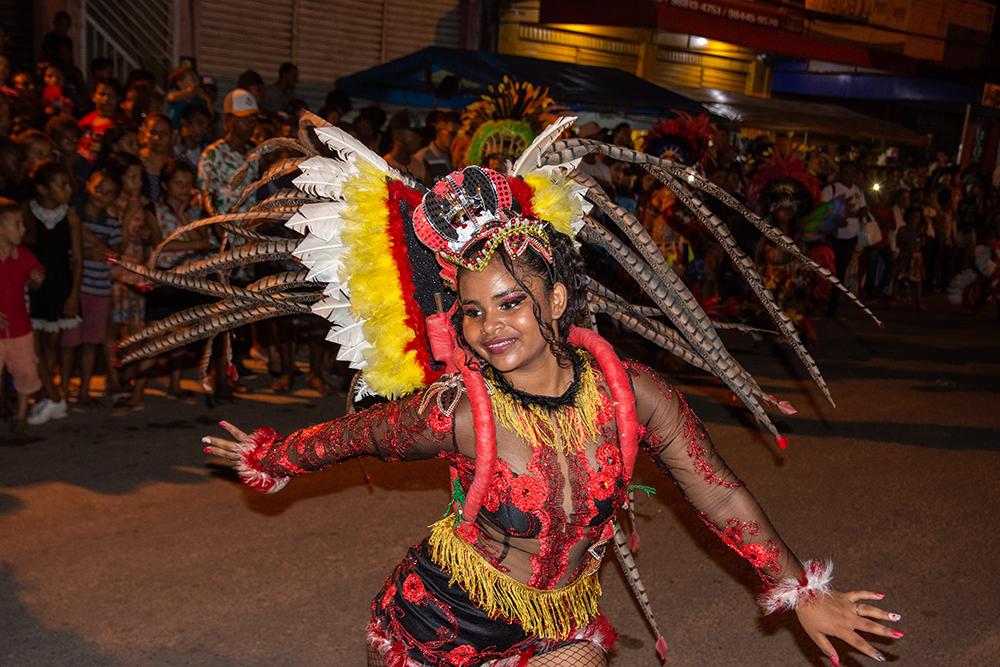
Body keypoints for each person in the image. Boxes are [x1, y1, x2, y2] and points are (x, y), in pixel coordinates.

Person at [188, 123, 900, 665]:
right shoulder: (461, 411)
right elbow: (354, 436)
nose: (490, 326)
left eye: (510, 302)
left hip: (560, 624)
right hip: (445, 626)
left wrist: (800, 589)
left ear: (555, 297)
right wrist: (273, 455)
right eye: (472, 310)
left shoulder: (633, 394)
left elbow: (719, 493)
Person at [24, 161, 80, 422]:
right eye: (62, 185)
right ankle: (53, 396)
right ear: (43, 189)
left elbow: (77, 260)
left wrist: (73, 296)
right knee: (32, 346)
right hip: (34, 287)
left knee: (51, 346)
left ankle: (51, 397)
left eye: (68, 184)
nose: (68, 189)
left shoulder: (70, 216)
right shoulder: (28, 213)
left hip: (60, 286)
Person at [61, 169, 122, 403]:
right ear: (88, 186)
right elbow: (66, 252)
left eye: (108, 193)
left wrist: (101, 253)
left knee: (91, 342)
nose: (101, 194)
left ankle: (85, 390)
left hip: (100, 291)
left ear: (114, 199)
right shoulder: (75, 217)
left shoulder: (112, 224)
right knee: (69, 342)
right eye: (98, 187)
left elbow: (115, 254)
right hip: (77, 288)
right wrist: (86, 252)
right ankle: (64, 392)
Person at [0, 198, 45, 432]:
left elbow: (36, 280)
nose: (23, 229)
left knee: (25, 372)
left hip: (19, 328)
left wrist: (37, 279)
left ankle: (20, 415)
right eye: (16, 224)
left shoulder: (23, 255)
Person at [197, 88, 258, 217]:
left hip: (248, 233)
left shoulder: (254, 155)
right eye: (244, 119)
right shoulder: (213, 155)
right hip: (223, 233)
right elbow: (207, 202)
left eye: (253, 118)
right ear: (228, 121)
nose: (251, 124)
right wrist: (222, 234)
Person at [821, 163, 866, 316]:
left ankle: (832, 304)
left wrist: (861, 212)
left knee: (840, 270)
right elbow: (822, 209)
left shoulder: (858, 191)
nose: (850, 174)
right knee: (829, 269)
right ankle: (823, 300)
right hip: (833, 236)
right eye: (847, 171)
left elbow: (862, 209)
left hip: (851, 236)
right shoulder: (831, 189)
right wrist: (835, 219)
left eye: (853, 171)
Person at [78, 79, 123, 165]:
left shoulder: (121, 124)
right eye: (102, 94)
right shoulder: (85, 120)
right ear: (93, 96)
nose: (106, 99)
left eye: (111, 96)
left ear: (118, 99)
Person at [383, 109, 429, 184]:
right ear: (398, 135)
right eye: (414, 134)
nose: (419, 138)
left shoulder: (422, 166)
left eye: (419, 134)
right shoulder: (384, 166)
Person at [414, 110, 458, 183]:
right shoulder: (422, 157)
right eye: (452, 133)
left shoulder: (459, 157)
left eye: (459, 135)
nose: (456, 138)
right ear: (439, 129)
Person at [139, 113, 173, 201]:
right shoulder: (135, 162)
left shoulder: (177, 165)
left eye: (164, 133)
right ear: (145, 134)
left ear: (172, 137)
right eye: (153, 132)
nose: (157, 138)